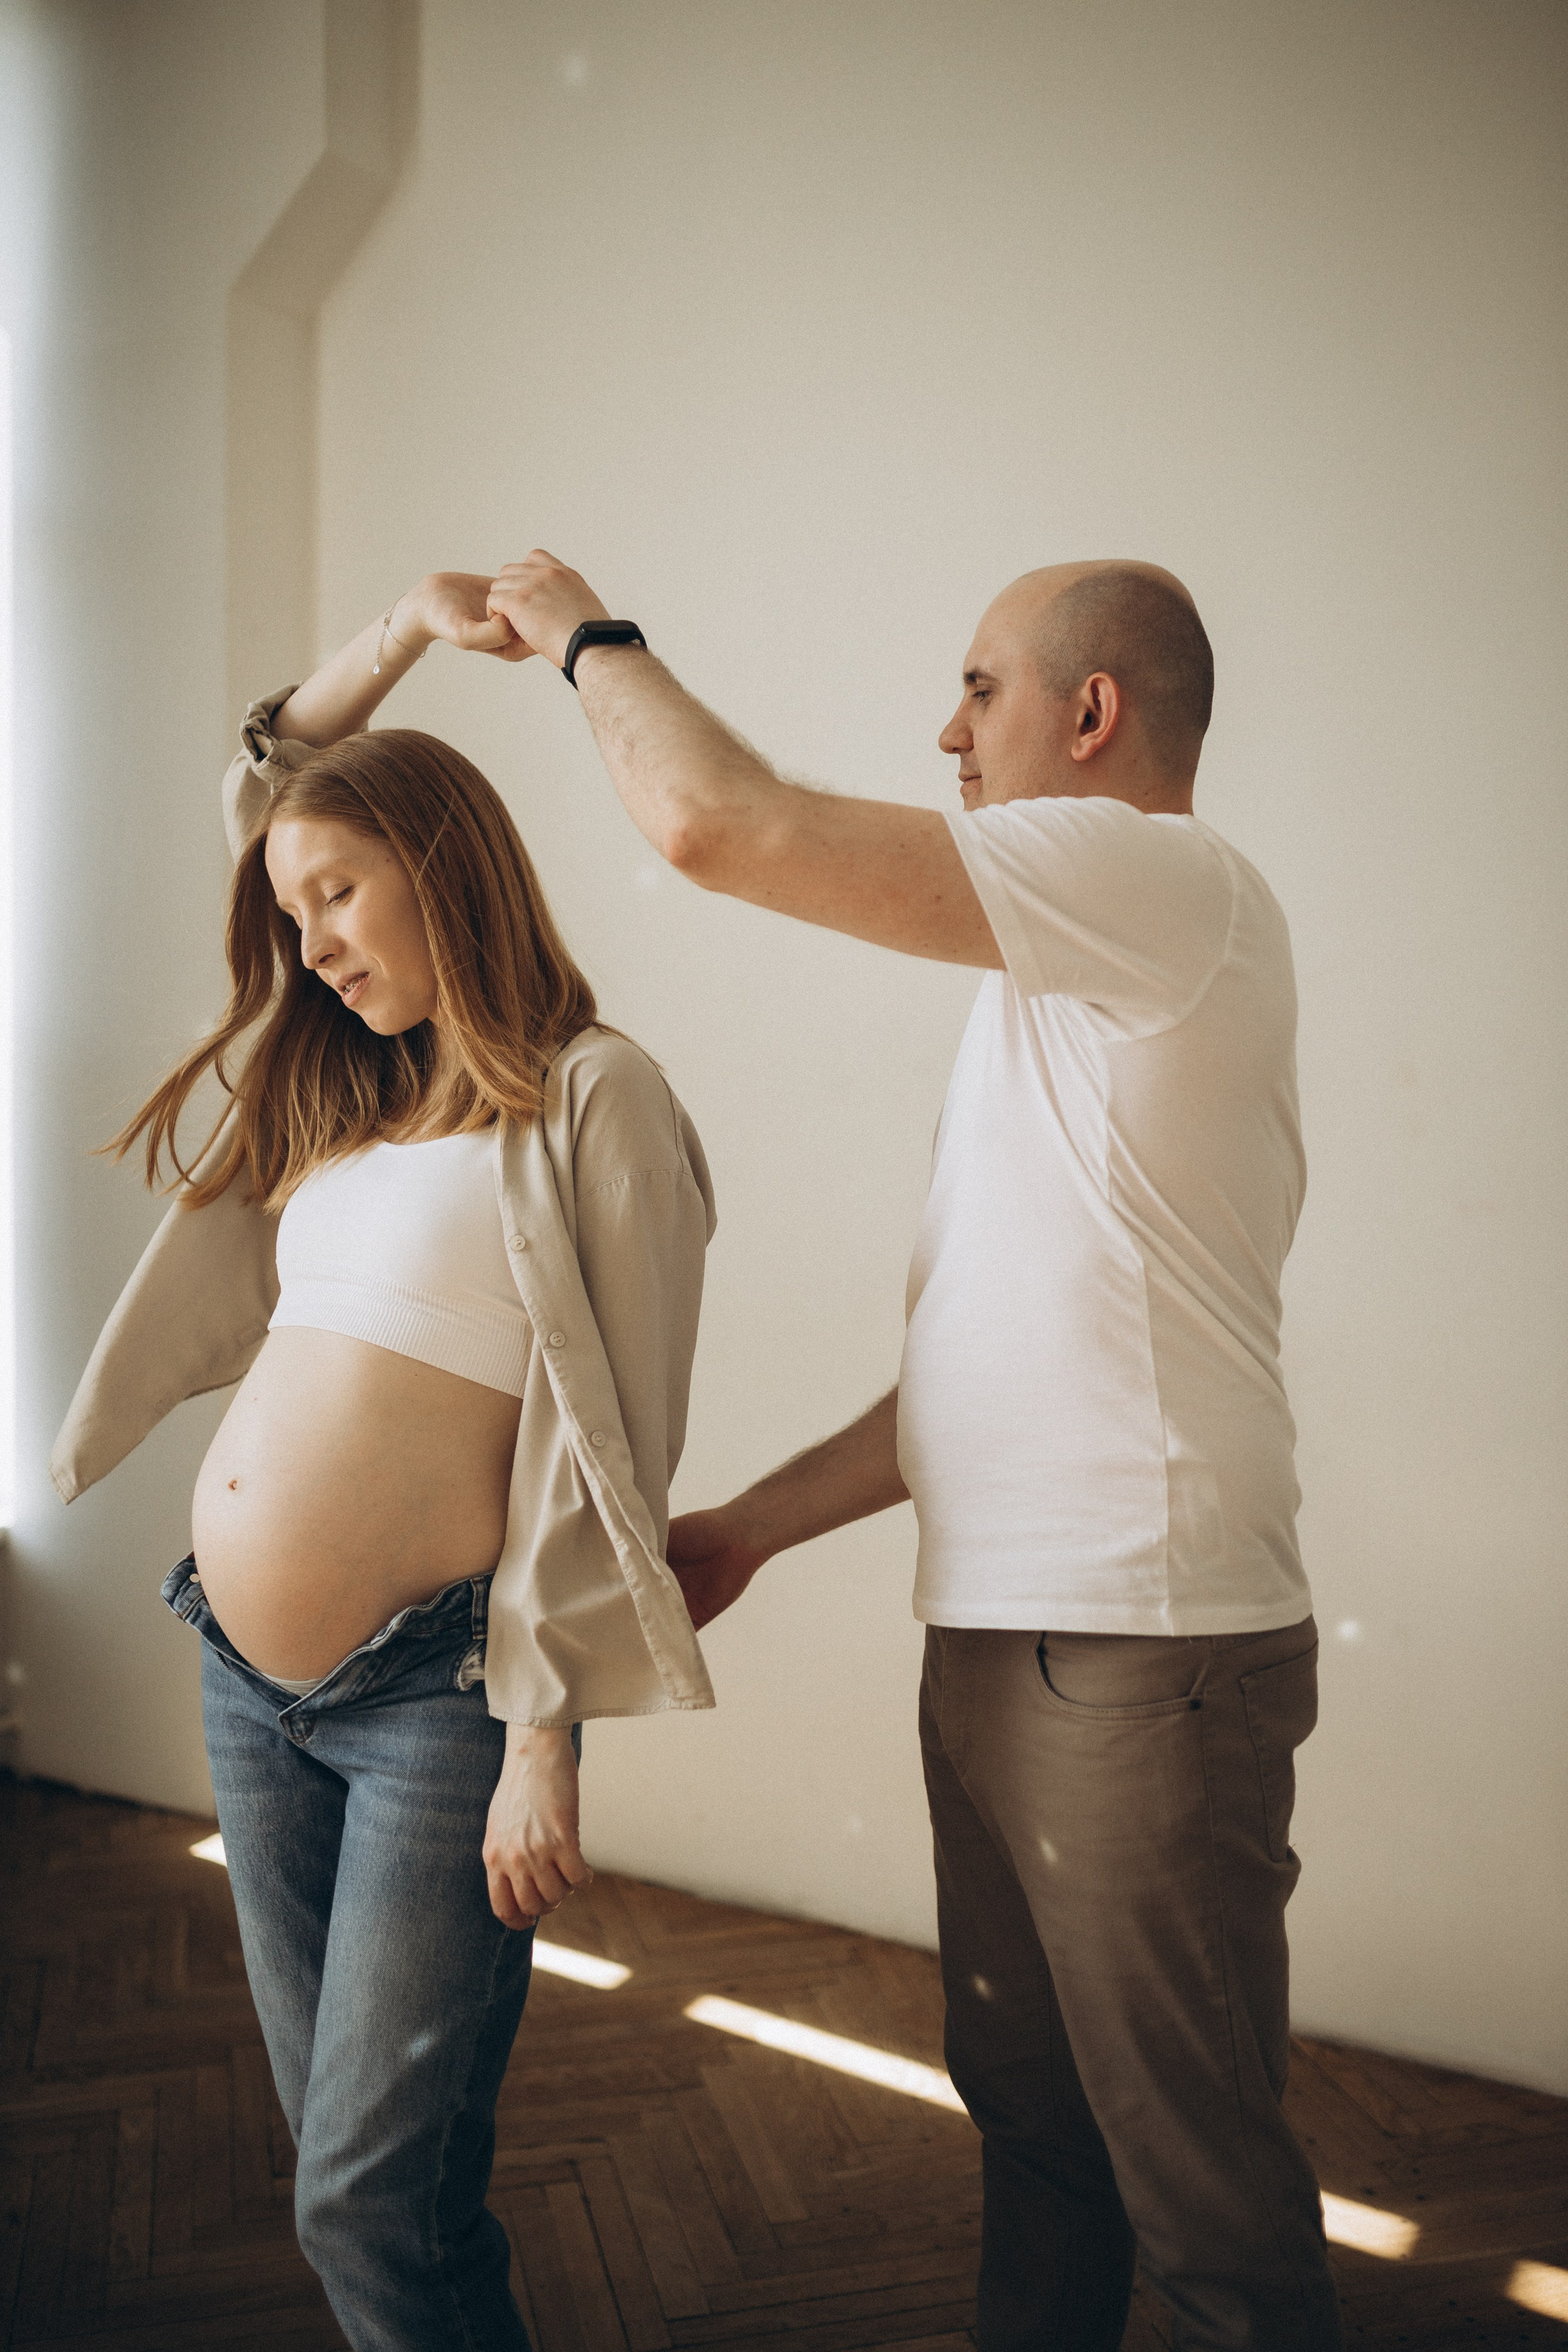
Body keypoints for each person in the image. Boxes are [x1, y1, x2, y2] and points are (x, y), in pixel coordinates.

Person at [483, 552, 1343, 2351]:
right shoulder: (1058, 990)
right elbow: (971, 1372)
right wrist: (757, 1530)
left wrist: (582, 630)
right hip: (1007, 1639)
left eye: (979, 689)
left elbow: (719, 825)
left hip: (1143, 1655)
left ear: (1091, 712)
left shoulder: (1159, 877)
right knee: (1037, 2134)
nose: (944, 732)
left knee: (1199, 2194)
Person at [49, 573, 717, 2352]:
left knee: (363, 2190)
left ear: (445, 860)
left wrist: (543, 1729)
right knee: (361, 2176)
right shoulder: (341, 1085)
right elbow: (269, 771)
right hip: (238, 1676)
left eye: (338, 891)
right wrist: (406, 630)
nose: (316, 939)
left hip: (435, 1699)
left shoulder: (594, 1097)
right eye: (292, 908)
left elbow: (617, 1443)